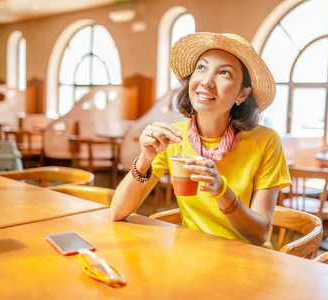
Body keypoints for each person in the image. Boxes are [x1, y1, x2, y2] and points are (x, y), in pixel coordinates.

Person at [111, 32, 290, 248]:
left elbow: (259, 235)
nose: (206, 82)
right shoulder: (174, 138)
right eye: (202, 68)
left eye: (224, 73)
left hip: (249, 260)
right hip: (193, 256)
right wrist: (145, 159)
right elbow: (118, 212)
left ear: (242, 94)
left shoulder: (266, 141)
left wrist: (220, 190)